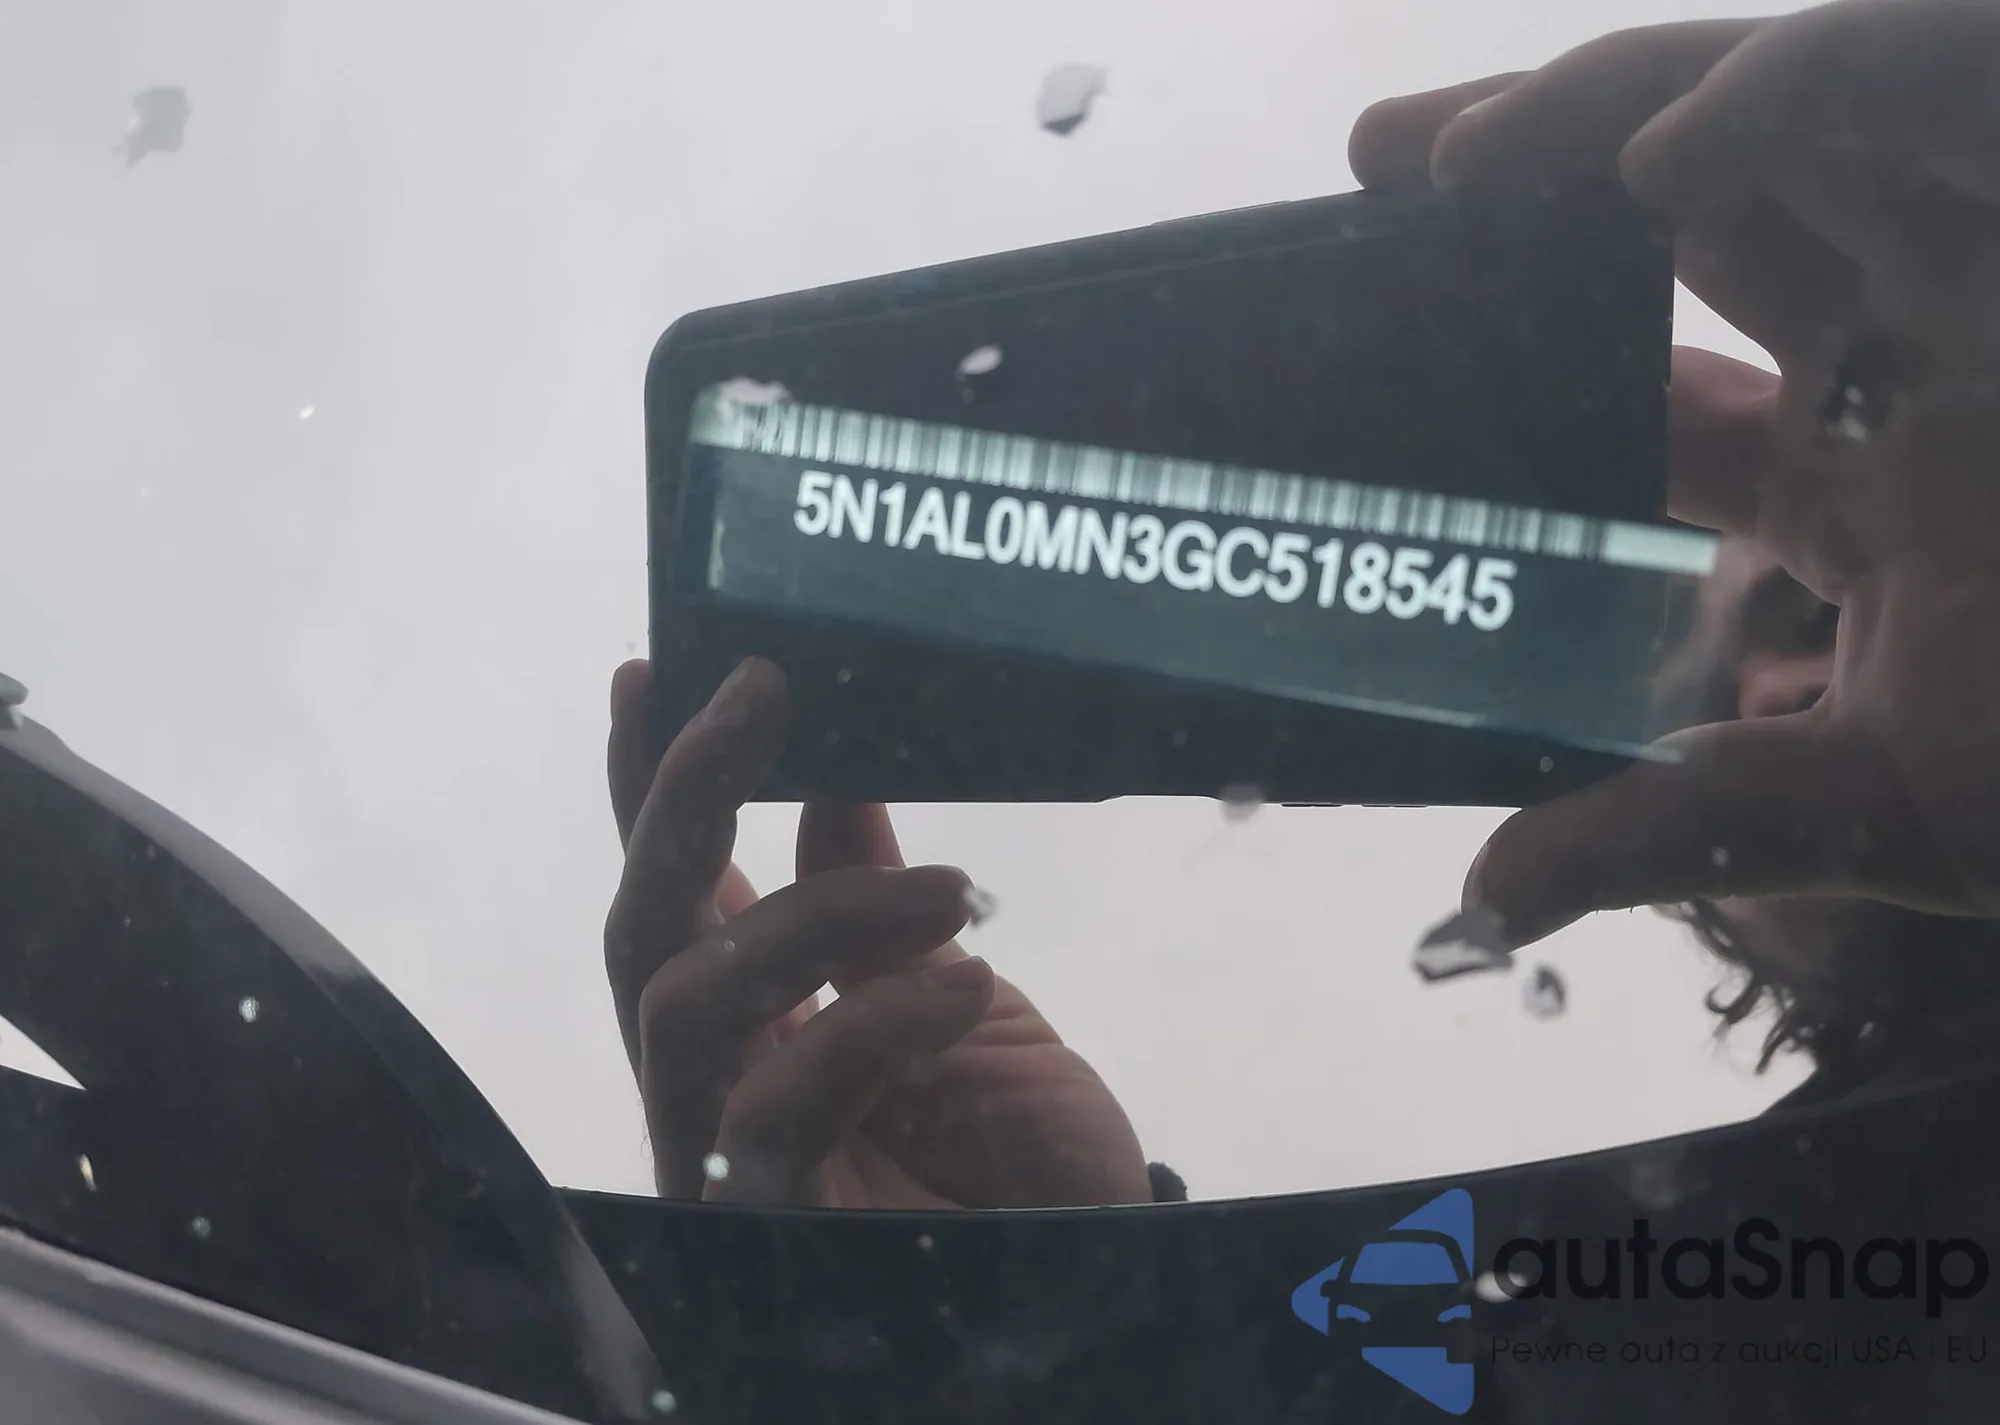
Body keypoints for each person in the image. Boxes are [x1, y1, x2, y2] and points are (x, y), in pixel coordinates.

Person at [603, 0, 2000, 1204]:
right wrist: (1062, 1308)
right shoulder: (1791, 1285)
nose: (1783, 699)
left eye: (1817, 619)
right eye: (1704, 725)